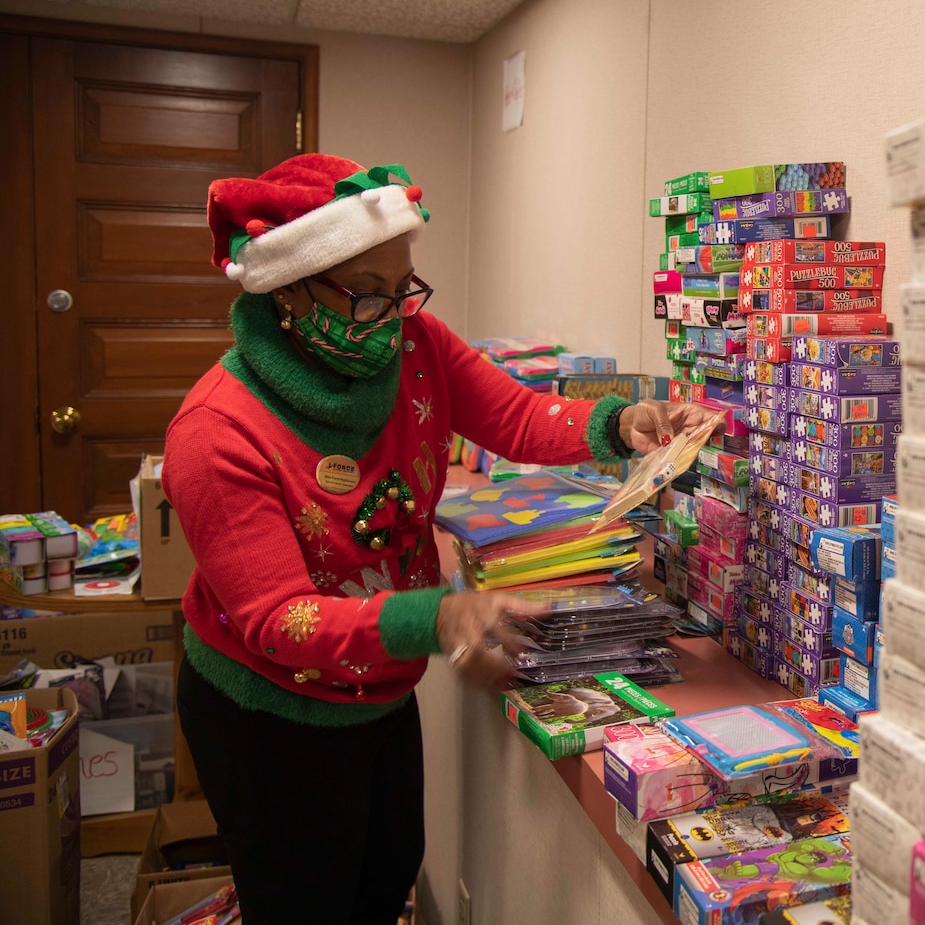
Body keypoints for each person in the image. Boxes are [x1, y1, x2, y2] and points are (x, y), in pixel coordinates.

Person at [164, 154, 706, 924]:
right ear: (287, 292)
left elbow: (514, 417)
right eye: (367, 294)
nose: (392, 316)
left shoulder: (412, 342)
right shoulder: (215, 432)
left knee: (384, 879)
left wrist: (619, 424)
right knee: (301, 905)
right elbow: (279, 619)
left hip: (376, 682)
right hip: (268, 715)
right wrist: (441, 616)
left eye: (402, 287)